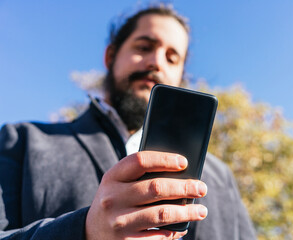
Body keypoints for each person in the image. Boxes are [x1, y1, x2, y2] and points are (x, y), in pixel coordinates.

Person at [0, 6, 256, 240]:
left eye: (172, 58)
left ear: (181, 75)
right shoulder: (22, 141)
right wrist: (86, 231)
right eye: (144, 47)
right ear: (111, 56)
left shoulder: (221, 177)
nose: (156, 62)